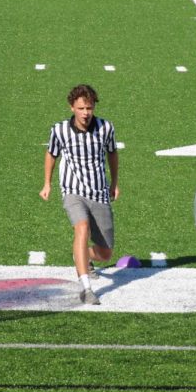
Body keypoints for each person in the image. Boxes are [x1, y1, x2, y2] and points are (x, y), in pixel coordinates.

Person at [40, 84, 119, 305]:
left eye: (89, 108)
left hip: (99, 192)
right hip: (72, 190)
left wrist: (115, 182)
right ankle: (86, 287)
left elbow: (112, 154)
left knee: (105, 254)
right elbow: (51, 154)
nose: (86, 113)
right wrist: (47, 183)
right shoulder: (60, 130)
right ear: (72, 107)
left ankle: (85, 256)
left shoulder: (106, 128)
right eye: (81, 108)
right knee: (81, 228)